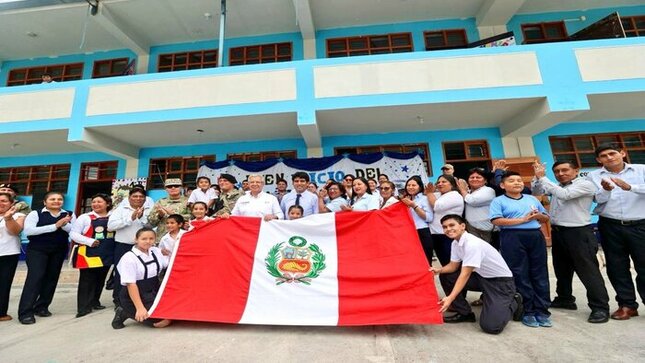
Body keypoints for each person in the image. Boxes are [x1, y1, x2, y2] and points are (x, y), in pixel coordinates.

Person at [532, 160, 610, 323]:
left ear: (576, 170)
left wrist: (544, 178)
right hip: (559, 233)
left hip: (579, 233)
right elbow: (536, 191)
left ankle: (600, 307)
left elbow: (565, 195)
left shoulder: (585, 185)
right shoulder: (558, 186)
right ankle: (565, 298)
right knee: (562, 269)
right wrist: (537, 177)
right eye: (557, 171)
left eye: (565, 170)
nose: (560, 174)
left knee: (588, 271)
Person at [431, 215, 523, 333]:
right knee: (447, 275)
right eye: (444, 227)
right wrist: (438, 270)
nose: (448, 229)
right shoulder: (456, 243)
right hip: (481, 278)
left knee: (491, 327)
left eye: (451, 225)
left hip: (500, 282)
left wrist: (450, 298)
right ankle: (464, 313)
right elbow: (453, 266)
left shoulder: (472, 244)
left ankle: (514, 301)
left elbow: (465, 274)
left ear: (463, 226)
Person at [587, 144, 645, 321]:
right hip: (610, 225)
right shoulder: (593, 176)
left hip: (640, 224)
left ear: (622, 153)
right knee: (616, 266)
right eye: (604, 156)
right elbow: (596, 199)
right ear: (599, 160)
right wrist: (605, 189)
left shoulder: (641, 170)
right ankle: (627, 305)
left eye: (612, 153)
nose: (609, 158)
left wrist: (630, 187)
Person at [490, 171, 551, 328]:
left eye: (519, 180)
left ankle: (542, 310)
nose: (517, 183)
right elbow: (497, 220)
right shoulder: (498, 201)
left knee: (539, 272)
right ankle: (527, 310)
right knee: (519, 273)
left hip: (535, 236)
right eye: (511, 181)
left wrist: (538, 216)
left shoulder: (531, 199)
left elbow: (545, 218)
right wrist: (523, 219)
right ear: (503, 185)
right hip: (512, 237)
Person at [18, 191, 76, 324]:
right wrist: (55, 226)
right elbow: (29, 231)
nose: (56, 201)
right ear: (45, 202)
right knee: (35, 278)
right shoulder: (35, 213)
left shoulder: (68, 214)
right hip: (38, 250)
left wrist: (65, 224)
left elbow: (74, 231)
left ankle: (42, 306)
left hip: (59, 250)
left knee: (52, 278)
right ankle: (25, 312)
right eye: (52, 199)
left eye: (59, 199)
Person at [111, 227, 171, 329]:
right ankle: (124, 311)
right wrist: (140, 308)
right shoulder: (128, 258)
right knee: (160, 322)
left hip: (154, 291)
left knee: (172, 313)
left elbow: (169, 264)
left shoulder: (156, 251)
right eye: (144, 239)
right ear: (136, 240)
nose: (148, 241)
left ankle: (135, 312)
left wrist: (169, 254)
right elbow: (131, 284)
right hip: (134, 294)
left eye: (151, 239)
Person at [70, 193, 115, 318]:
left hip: (107, 252)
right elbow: (73, 234)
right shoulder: (85, 217)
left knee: (101, 278)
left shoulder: (113, 216)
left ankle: (95, 301)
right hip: (89, 253)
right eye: (94, 202)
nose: (96, 204)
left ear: (108, 204)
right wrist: (89, 241)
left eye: (99, 202)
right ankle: (83, 307)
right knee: (87, 280)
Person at [107, 186, 151, 309]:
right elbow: (110, 226)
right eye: (135, 196)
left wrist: (141, 217)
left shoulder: (148, 210)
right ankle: (119, 301)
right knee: (121, 274)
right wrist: (130, 218)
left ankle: (138, 300)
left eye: (141, 196)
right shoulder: (121, 210)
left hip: (142, 248)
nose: (138, 199)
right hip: (123, 246)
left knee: (141, 274)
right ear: (129, 197)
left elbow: (151, 227)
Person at [426, 174, 464, 266]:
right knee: (444, 263)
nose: (440, 184)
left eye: (444, 182)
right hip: (437, 234)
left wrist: (429, 193)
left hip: (448, 235)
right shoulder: (441, 195)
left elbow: (437, 206)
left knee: (451, 263)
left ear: (451, 184)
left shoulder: (454, 195)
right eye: (438, 182)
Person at [0, 192, 26, 322]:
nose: (1, 203)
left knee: (3, 284)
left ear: (11, 203)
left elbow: (15, 231)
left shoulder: (18, 215)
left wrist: (8, 218)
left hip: (8, 254)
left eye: (4, 201)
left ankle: (1, 313)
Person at [399, 176, 433, 265]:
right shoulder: (406, 199)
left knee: (425, 262)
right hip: (409, 232)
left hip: (422, 232)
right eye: (408, 185)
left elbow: (429, 218)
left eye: (413, 185)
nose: (410, 187)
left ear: (420, 187)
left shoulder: (424, 199)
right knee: (413, 262)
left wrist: (414, 206)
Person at [457, 168, 496, 244]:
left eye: (478, 177)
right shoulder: (469, 192)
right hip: (471, 227)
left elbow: (472, 201)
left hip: (484, 229)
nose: (474, 179)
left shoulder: (488, 190)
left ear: (485, 181)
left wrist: (462, 190)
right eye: (472, 177)